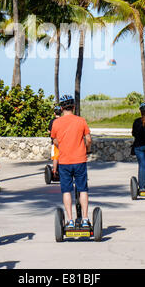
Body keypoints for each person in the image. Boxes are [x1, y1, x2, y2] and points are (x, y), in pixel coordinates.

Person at [51, 94, 92, 229]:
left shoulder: (56, 123)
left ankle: (70, 220)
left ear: (62, 108)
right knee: (83, 189)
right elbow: (89, 139)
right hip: (80, 160)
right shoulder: (81, 121)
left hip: (64, 161)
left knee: (67, 191)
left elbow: (55, 140)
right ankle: (85, 219)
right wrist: (87, 149)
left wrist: (62, 146)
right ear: (73, 107)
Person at [48, 106, 61, 176]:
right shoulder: (63, 120)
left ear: (54, 113)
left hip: (55, 141)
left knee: (55, 157)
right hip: (63, 141)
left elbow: (49, 131)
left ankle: (54, 171)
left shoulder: (52, 121)